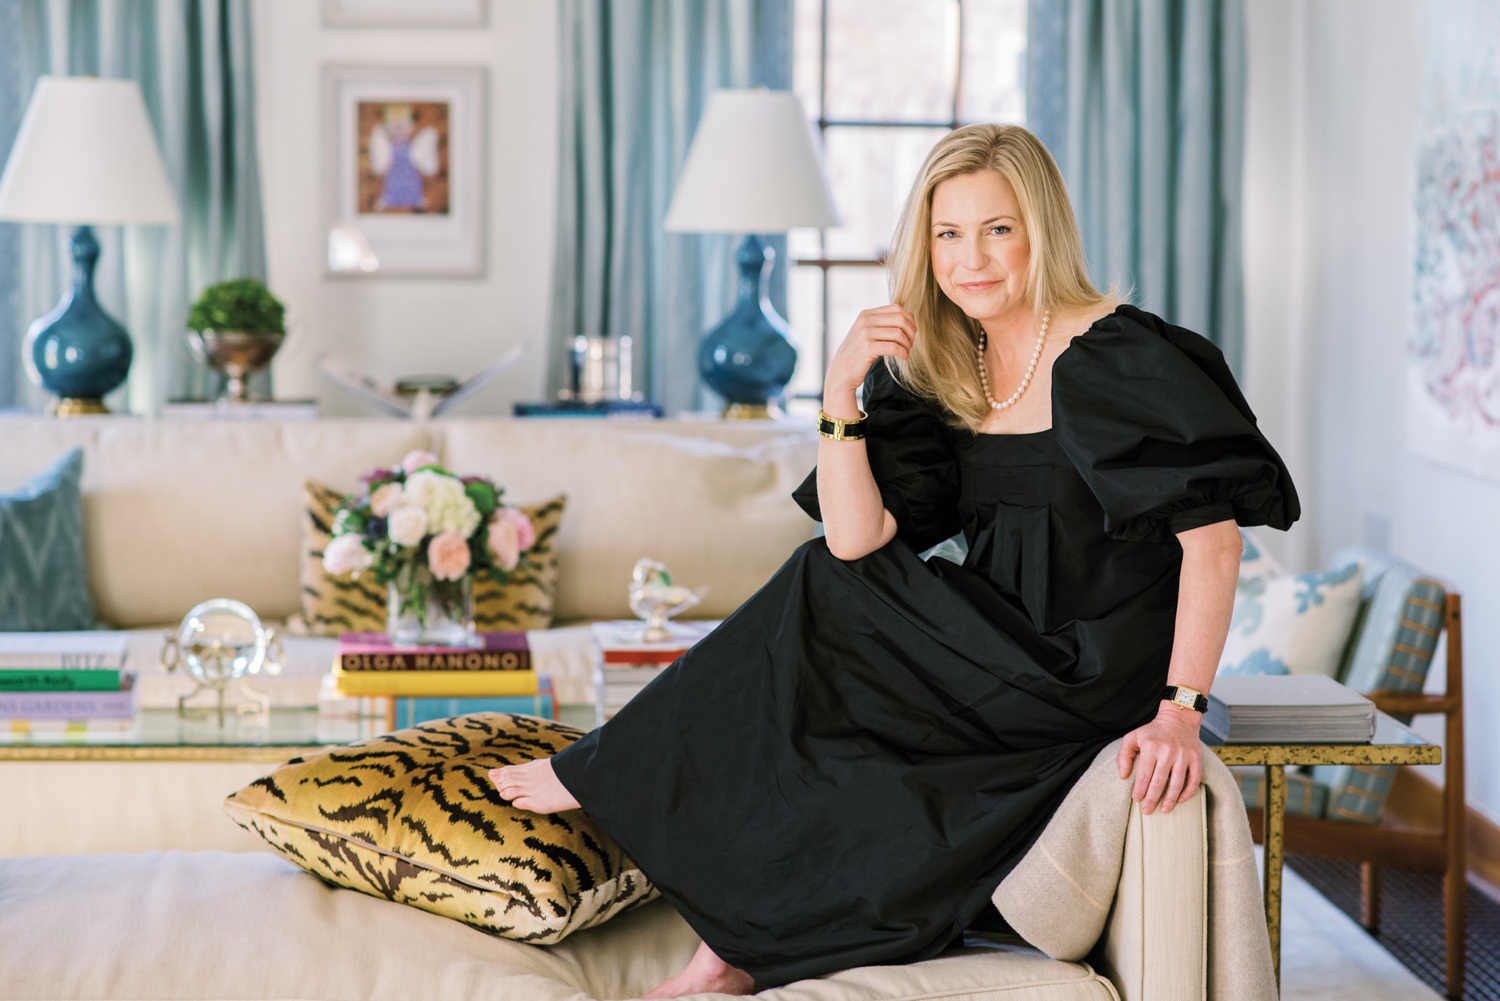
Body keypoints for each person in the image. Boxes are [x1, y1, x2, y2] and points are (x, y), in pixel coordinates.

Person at [491, 124, 1298, 998]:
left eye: (998, 229)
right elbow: (856, 539)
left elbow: (1214, 544)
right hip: (997, 644)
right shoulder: (955, 362)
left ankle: (614, 775)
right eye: (948, 234)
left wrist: (1181, 711)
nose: (971, 259)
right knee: (826, 625)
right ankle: (732, 949)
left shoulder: (1124, 353)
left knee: (818, 595)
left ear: (1043, 231)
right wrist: (840, 392)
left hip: (1086, 667)